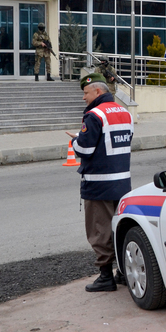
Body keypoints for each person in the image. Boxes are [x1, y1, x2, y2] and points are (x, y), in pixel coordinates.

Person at [66, 73, 133, 292]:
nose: (83, 98)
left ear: (98, 91)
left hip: (98, 185)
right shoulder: (125, 112)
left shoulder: (94, 115)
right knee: (119, 228)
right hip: (122, 183)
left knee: (99, 231)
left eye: (85, 93)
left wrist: (76, 139)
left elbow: (85, 149)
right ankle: (123, 273)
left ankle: (105, 277)